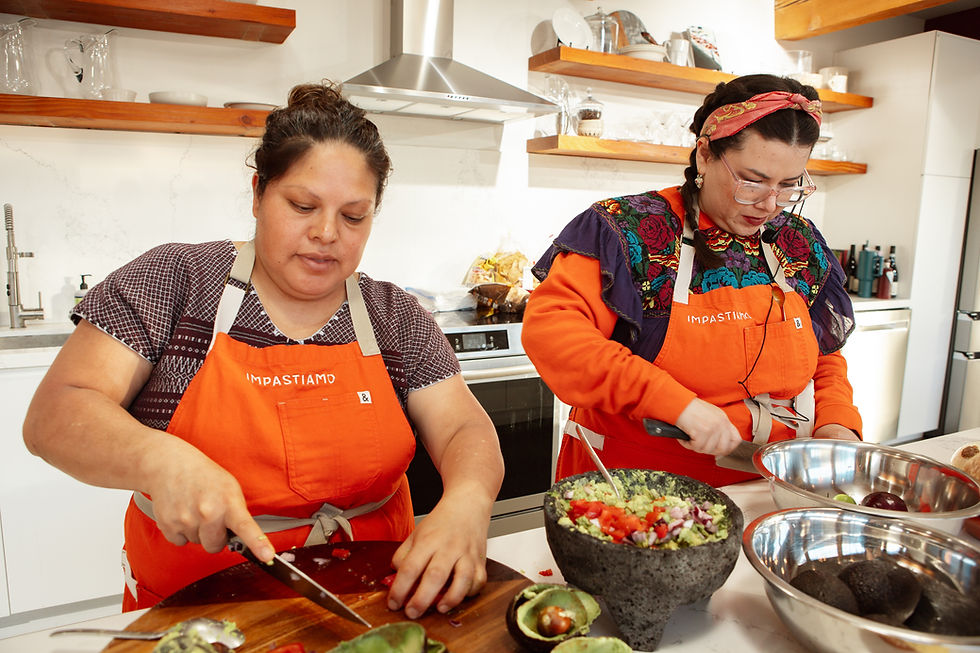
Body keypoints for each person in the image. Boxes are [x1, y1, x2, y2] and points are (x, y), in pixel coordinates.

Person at [22, 81, 504, 618]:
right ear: (258, 194)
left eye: (353, 216)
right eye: (302, 205)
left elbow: (465, 427)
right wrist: (156, 458)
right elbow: (55, 414)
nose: (326, 233)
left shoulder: (394, 318)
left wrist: (467, 502)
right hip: (195, 617)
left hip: (377, 607)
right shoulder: (177, 284)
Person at [521, 74, 862, 488]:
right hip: (634, 485)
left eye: (789, 186)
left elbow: (824, 354)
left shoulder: (797, 241)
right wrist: (675, 404)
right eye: (752, 181)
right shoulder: (628, 229)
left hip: (770, 482)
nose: (770, 204)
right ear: (704, 154)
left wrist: (838, 423)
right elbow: (555, 336)